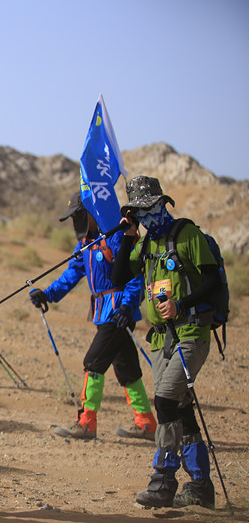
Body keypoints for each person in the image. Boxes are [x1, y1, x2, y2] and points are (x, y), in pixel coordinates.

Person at [112, 175, 219, 509]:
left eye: (152, 208)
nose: (148, 217)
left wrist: (181, 305)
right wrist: (128, 238)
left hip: (191, 333)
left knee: (166, 401)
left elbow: (212, 279)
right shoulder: (145, 245)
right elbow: (118, 279)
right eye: (139, 213)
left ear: (163, 204)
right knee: (180, 409)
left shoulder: (187, 234)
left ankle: (163, 481)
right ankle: (201, 487)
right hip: (161, 340)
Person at [29, 191, 157, 440]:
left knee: (93, 362)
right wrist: (48, 294)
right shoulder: (84, 245)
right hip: (104, 313)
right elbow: (71, 275)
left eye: (77, 215)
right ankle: (146, 423)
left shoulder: (116, 237)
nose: (75, 222)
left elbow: (134, 275)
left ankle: (87, 423)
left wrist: (127, 306)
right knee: (127, 369)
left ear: (90, 213)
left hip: (118, 313)